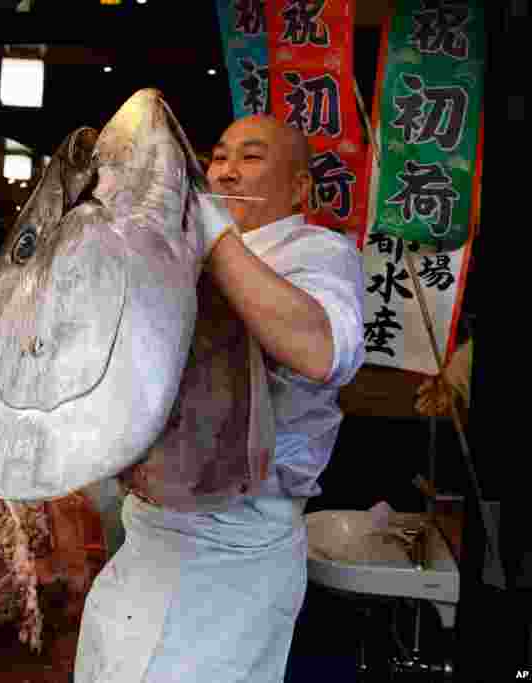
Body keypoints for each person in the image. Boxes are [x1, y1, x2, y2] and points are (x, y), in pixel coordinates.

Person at [74, 114, 367, 683]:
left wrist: (216, 234)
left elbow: (322, 350)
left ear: (299, 188)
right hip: (145, 536)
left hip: (235, 546)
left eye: (252, 157)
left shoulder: (317, 253)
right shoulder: (178, 254)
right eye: (219, 155)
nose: (228, 168)